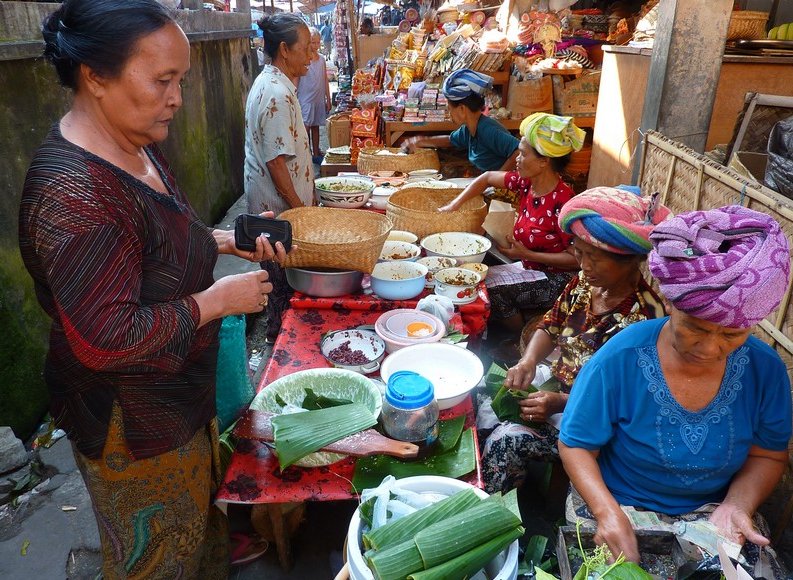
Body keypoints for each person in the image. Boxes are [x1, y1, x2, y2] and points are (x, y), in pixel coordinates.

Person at [18, 0, 289, 576]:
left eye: (181, 80)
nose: (178, 98)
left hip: (177, 389)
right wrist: (217, 301)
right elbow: (106, 337)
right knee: (154, 552)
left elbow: (154, 238)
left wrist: (219, 242)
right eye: (163, 80)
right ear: (95, 76)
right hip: (131, 420)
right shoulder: (74, 197)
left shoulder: (133, 142)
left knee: (192, 523)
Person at [559, 206, 792, 573]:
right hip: (620, 502)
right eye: (695, 328)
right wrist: (607, 512)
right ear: (669, 302)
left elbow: (769, 455)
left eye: (732, 334)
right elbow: (575, 444)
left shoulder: (766, 371)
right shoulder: (619, 359)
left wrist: (737, 505)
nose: (710, 348)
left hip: (712, 511)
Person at [480, 188, 671, 493]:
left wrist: (560, 404)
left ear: (630, 260)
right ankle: (515, 485)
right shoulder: (585, 283)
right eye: (579, 253)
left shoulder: (647, 320)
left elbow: (628, 404)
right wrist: (527, 361)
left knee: (506, 442)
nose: (583, 265)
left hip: (594, 424)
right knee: (482, 394)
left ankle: (503, 516)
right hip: (558, 385)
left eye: (594, 258)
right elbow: (550, 326)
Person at [439, 112, 585, 333]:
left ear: (544, 161)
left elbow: (577, 259)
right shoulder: (526, 183)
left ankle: (517, 339)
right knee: (476, 277)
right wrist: (454, 205)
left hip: (558, 279)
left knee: (492, 292)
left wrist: (528, 255)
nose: (516, 159)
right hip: (529, 266)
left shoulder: (564, 203)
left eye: (523, 155)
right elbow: (486, 177)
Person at [244, 13, 313, 342]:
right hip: (277, 209)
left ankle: (279, 335)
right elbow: (275, 162)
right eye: (306, 48)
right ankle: (282, 343)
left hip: (271, 204)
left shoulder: (271, 82)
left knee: (276, 278)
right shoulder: (276, 92)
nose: (311, 56)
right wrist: (301, 210)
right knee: (281, 282)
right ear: (284, 49)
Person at [402, 69, 520, 172]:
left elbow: (518, 151)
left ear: (462, 109)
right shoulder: (469, 129)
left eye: (450, 109)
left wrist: (497, 178)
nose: (449, 114)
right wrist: (419, 141)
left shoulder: (487, 129)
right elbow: (450, 140)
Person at [298, 28, 332, 165]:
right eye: (312, 42)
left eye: (317, 42)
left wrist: (328, 98)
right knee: (306, 126)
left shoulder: (322, 59)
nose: (315, 45)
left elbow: (325, 79)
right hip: (306, 97)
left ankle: (316, 152)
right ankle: (306, 153)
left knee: (316, 126)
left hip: (318, 98)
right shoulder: (303, 59)